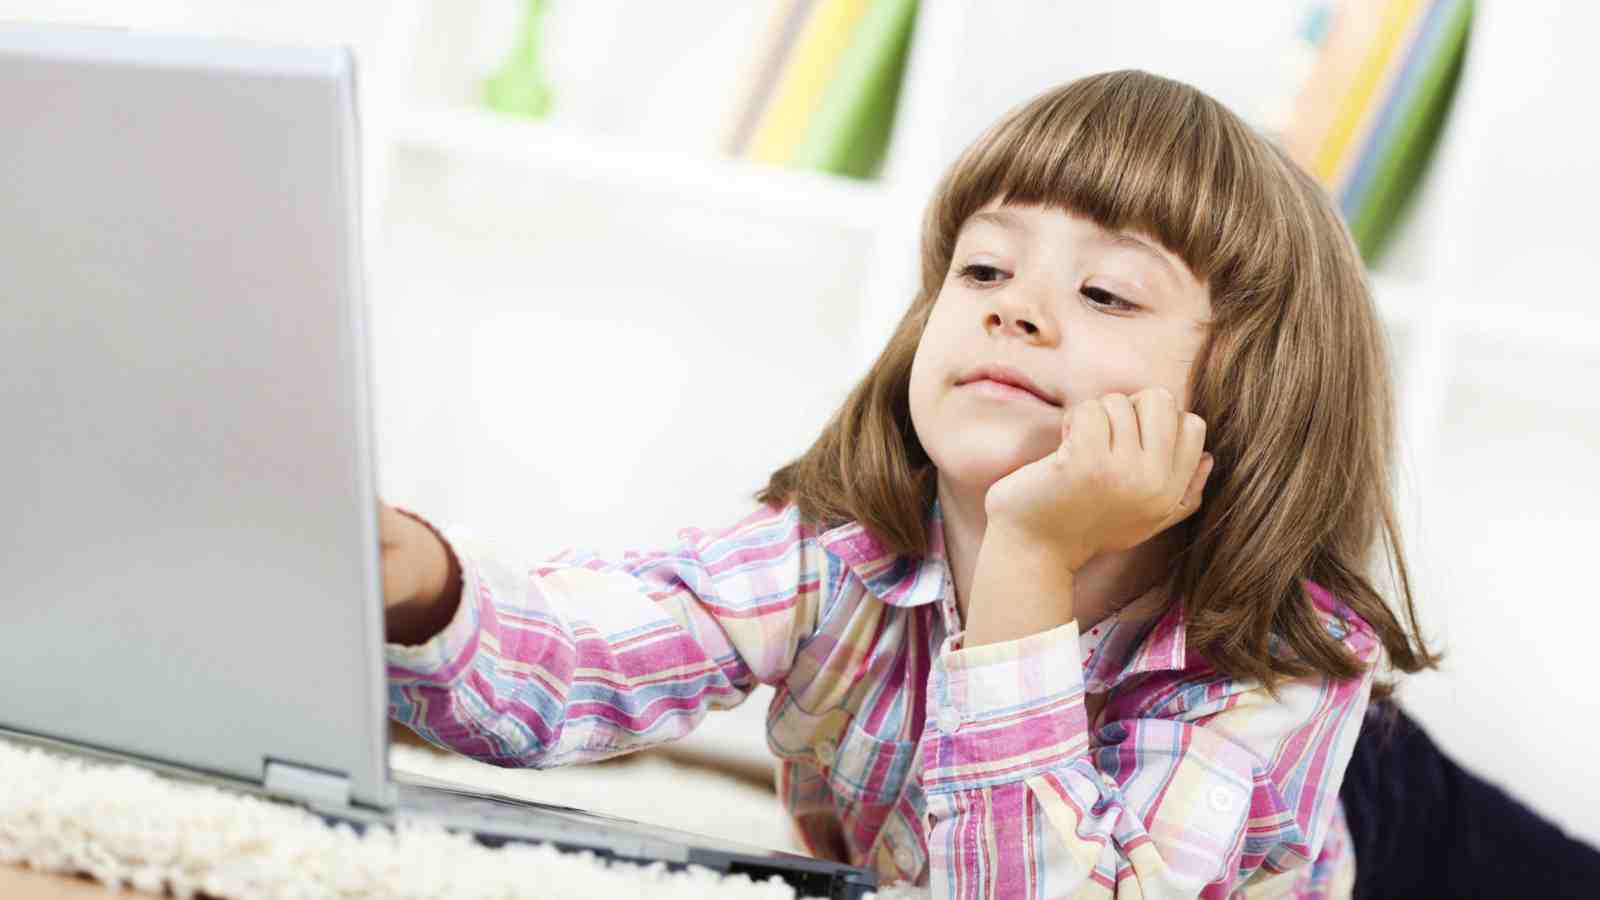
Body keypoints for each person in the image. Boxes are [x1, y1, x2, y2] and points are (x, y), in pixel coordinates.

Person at [376, 70, 1596, 897]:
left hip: (1388, 833)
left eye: (1105, 292)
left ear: (1251, 391)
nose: (1014, 306)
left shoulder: (1280, 677)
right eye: (982, 269)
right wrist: (421, 582)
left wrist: (1027, 565)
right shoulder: (838, 554)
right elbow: (581, 658)